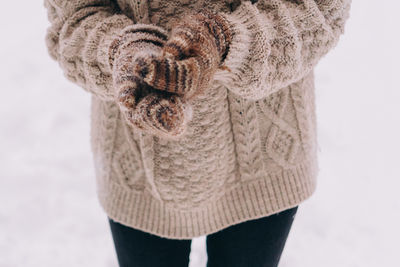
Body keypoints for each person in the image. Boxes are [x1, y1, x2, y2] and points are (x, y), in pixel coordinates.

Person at [43, 0, 351, 266]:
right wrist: (118, 51)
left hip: (262, 154)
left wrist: (230, 41)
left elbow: (321, 10)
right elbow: (72, 16)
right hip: (137, 165)